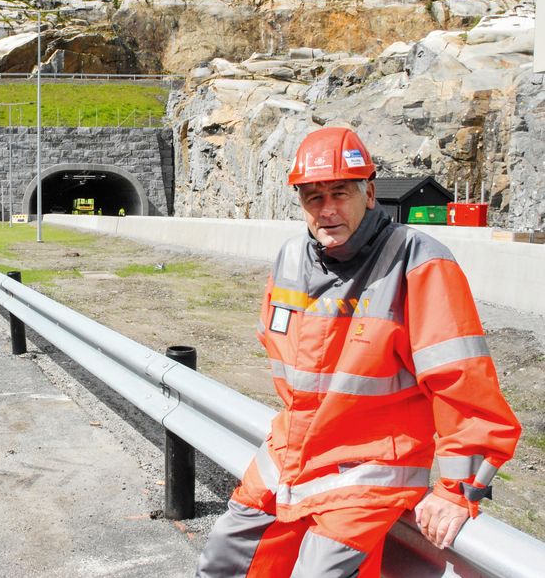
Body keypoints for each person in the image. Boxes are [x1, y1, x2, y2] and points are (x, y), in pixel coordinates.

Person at [194, 127, 521, 578]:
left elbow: (462, 383)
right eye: (313, 197)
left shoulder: (417, 261)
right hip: (288, 459)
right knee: (223, 560)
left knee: (319, 572)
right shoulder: (291, 259)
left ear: (369, 193)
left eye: (339, 193)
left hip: (368, 472)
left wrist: (456, 490)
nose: (326, 210)